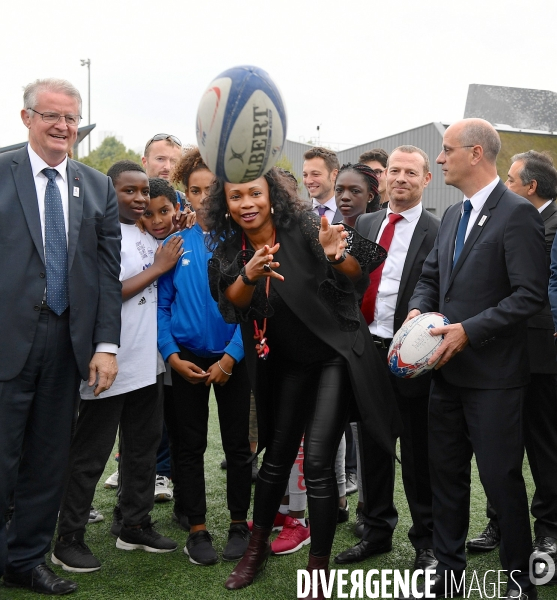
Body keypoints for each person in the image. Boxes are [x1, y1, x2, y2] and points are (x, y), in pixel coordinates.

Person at [205, 167, 400, 596]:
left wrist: (335, 254)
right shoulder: (229, 249)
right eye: (236, 197)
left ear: (271, 195)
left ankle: (318, 569)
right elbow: (230, 305)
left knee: (316, 465)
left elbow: (358, 276)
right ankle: (255, 551)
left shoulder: (309, 226)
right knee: (274, 460)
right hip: (285, 364)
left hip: (334, 355)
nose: (246, 203)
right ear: (227, 205)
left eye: (254, 194)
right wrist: (249, 275)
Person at [402, 119, 547, 600]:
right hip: (444, 375)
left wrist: (470, 330)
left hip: (496, 379)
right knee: (446, 478)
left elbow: (529, 297)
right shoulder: (453, 215)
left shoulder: (517, 215)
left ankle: (516, 581)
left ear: (476, 153)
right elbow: (430, 275)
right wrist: (420, 310)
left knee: (502, 481)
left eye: (445, 151)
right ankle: (448, 576)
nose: (439, 159)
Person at [0, 78, 121, 595]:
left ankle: (25, 560)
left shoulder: (98, 187)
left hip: (68, 346)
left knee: (48, 462)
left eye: (71, 118)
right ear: (26, 118)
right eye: (51, 116)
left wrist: (105, 345)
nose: (63, 127)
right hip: (7, 344)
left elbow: (107, 275)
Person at [52, 160, 182, 574]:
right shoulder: (100, 233)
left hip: (149, 364)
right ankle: (67, 539)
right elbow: (107, 292)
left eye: (144, 191)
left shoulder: (145, 232)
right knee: (89, 456)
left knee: (142, 452)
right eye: (129, 191)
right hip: (108, 363)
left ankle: (134, 526)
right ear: (109, 191)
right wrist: (157, 268)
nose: (140, 198)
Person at [333, 150, 439, 572]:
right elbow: (352, 281)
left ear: (426, 179)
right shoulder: (367, 223)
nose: (400, 178)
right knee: (374, 448)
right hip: (366, 351)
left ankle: (426, 542)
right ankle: (375, 531)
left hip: (411, 356)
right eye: (394, 171)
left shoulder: (437, 229)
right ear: (384, 178)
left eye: (410, 172)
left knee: (417, 453)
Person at [158, 146, 253, 566]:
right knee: (189, 445)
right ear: (186, 194)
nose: (202, 197)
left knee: (237, 446)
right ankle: (197, 528)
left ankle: (238, 524)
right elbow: (161, 305)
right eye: (194, 190)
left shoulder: (244, 242)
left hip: (233, 360)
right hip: (186, 360)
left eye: (211, 189)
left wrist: (231, 357)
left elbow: (254, 308)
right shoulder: (175, 244)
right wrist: (171, 354)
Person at [469, 152, 557, 573]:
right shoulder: (501, 215)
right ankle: (499, 523)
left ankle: (549, 528)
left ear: (531, 185)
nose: (505, 182)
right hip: (503, 348)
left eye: (510, 176)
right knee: (501, 445)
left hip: (541, 354)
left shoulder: (549, 220)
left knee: (541, 445)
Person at [303, 146, 342, 223]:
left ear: (334, 175)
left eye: (315, 174)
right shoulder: (297, 215)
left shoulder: (351, 215)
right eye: (305, 175)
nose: (308, 181)